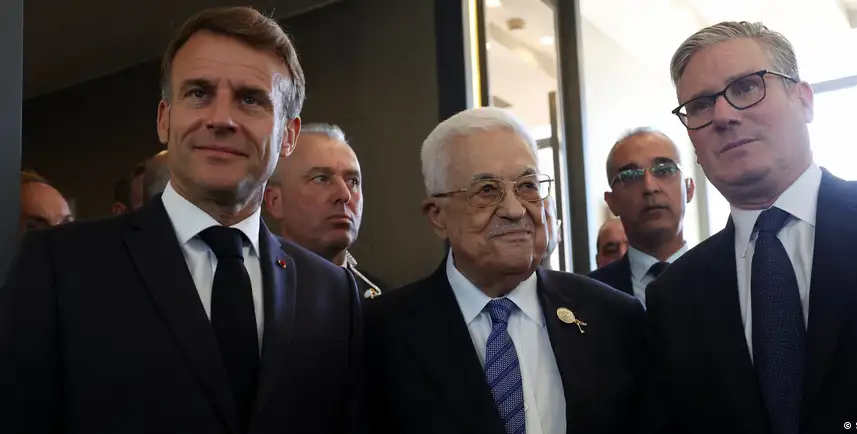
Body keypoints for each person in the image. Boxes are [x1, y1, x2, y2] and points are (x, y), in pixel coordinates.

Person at [0, 7, 363, 434]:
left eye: (250, 99)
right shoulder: (60, 266)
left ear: (288, 135)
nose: (221, 119)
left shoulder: (333, 294)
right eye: (198, 93)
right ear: (164, 119)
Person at [644, 21, 857, 433]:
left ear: (804, 100)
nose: (723, 115)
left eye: (746, 87)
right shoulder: (673, 295)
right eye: (701, 105)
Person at [364, 107, 648, 434]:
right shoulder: (382, 334)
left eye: (527, 186)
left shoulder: (613, 317)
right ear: (437, 216)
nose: (515, 210)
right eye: (487, 190)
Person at [264, 123, 388, 298]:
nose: (344, 195)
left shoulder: (387, 302)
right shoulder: (253, 295)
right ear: (275, 201)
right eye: (321, 179)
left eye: (353, 181)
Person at [588, 128, 693, 303]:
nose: (649, 187)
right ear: (612, 202)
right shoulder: (586, 295)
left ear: (689, 189)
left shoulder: (728, 273)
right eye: (630, 176)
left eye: (664, 170)